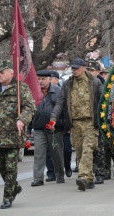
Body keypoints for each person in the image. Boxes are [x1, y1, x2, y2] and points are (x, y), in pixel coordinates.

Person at [0, 60, 36, 209]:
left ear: (11, 73)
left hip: (13, 136)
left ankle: (7, 197)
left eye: (2, 72)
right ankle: (14, 187)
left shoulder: (20, 89)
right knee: (0, 165)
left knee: (10, 167)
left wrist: (21, 120)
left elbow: (30, 107)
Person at [50, 58, 102, 191]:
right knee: (79, 151)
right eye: (73, 68)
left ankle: (83, 176)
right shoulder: (68, 84)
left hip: (90, 122)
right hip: (75, 123)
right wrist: (53, 118)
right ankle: (89, 180)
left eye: (77, 68)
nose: (74, 71)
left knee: (87, 149)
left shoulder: (94, 82)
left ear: (84, 68)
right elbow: (60, 103)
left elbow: (103, 101)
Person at [31, 70, 65, 187]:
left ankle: (60, 175)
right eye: (38, 79)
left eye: (43, 79)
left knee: (56, 153)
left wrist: (58, 122)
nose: (40, 82)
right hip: (39, 127)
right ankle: (38, 178)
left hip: (54, 128)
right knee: (39, 153)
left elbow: (60, 108)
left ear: (49, 79)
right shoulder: (34, 92)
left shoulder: (58, 91)